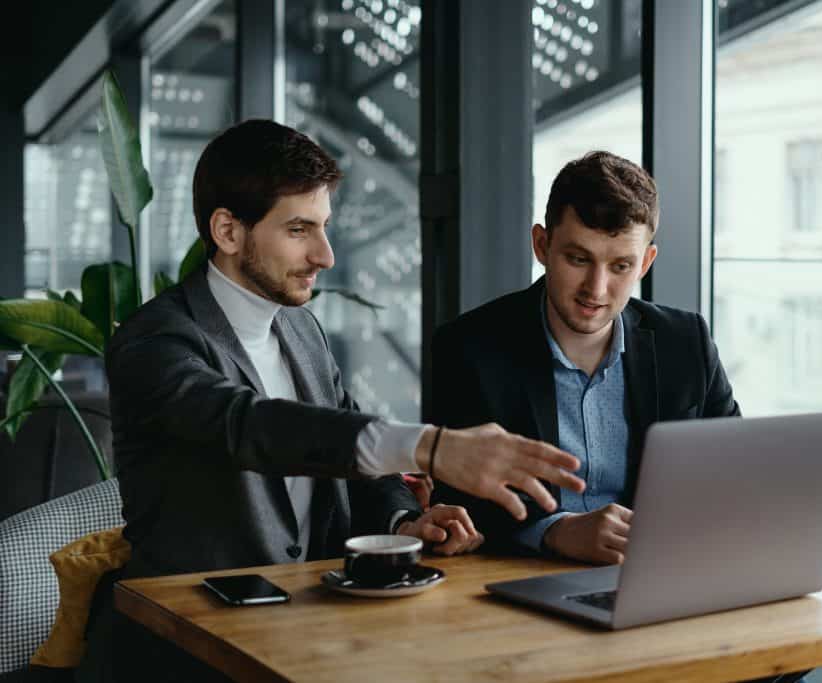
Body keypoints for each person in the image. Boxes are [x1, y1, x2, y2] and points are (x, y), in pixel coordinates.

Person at [79, 120, 583, 683]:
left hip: (307, 638)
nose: (326, 255)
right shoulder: (154, 340)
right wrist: (430, 446)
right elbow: (248, 426)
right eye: (299, 230)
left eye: (323, 228)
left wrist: (404, 521)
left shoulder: (303, 332)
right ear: (227, 230)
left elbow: (348, 454)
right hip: (183, 651)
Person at [430, 151, 740, 565]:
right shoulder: (469, 348)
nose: (597, 288)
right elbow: (458, 508)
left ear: (645, 262)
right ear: (542, 245)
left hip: (660, 575)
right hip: (518, 587)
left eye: (620, 266)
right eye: (578, 259)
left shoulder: (686, 343)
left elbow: (736, 473)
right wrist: (554, 531)